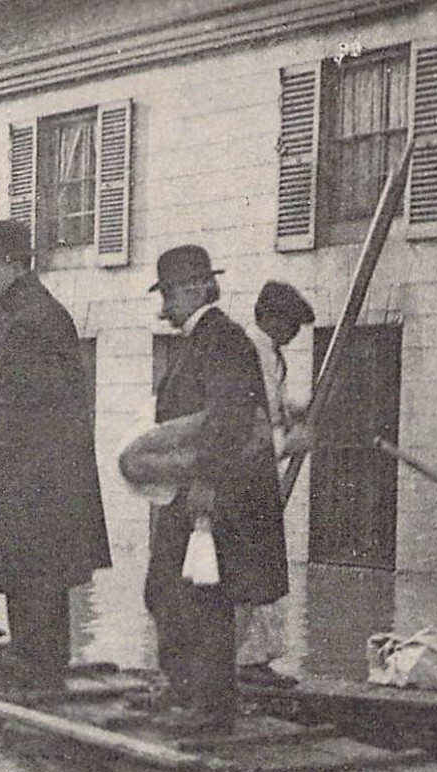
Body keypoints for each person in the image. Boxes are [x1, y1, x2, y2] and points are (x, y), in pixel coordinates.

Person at [144, 246, 289, 734]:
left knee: (201, 600)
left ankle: (207, 710)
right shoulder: (201, 340)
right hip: (198, 488)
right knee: (173, 592)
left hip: (215, 495)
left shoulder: (220, 339)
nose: (164, 304)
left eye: (167, 292)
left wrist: (204, 482)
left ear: (195, 288)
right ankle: (187, 695)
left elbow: (228, 419)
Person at [0, 220, 111, 689]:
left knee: (35, 564)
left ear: (12, 263)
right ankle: (30, 652)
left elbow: (37, 412)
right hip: (29, 472)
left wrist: (8, 470)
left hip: (35, 476)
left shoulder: (34, 319)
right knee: (29, 565)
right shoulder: (23, 314)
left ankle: (39, 659)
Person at [237, 280, 316, 687]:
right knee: (253, 568)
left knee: (265, 568)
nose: (294, 334)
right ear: (269, 317)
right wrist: (288, 442)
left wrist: (292, 409)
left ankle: (255, 659)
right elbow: (249, 424)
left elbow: (272, 404)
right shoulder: (250, 352)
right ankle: (245, 662)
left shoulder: (270, 355)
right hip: (248, 474)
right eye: (290, 325)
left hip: (260, 475)